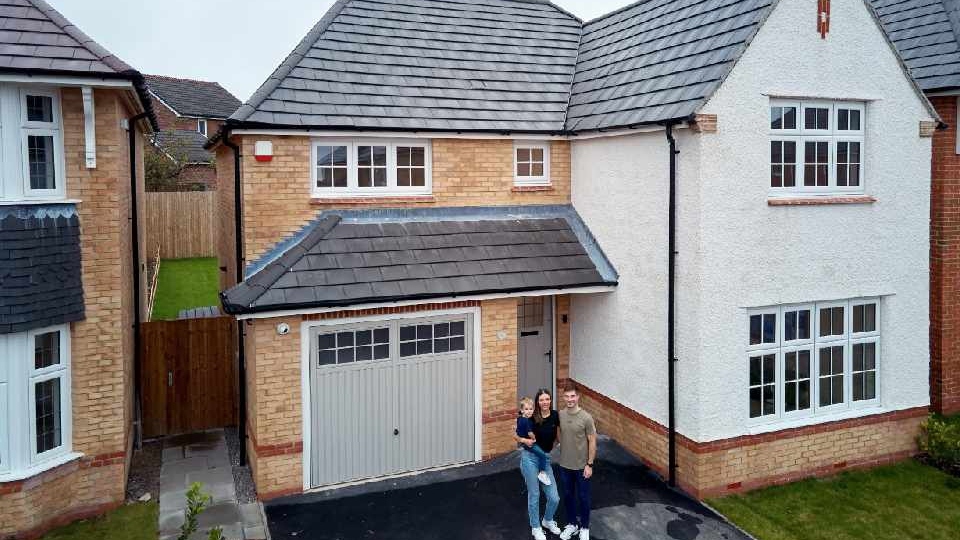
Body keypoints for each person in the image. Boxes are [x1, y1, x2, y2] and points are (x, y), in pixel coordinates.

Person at [515, 388, 563, 540]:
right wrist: (525, 440)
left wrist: (557, 446)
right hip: (529, 458)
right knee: (534, 494)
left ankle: (547, 520)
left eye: (547, 399)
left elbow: (559, 435)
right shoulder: (530, 417)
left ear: (550, 400)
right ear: (537, 402)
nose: (545, 402)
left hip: (544, 459)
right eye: (541, 400)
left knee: (554, 498)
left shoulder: (555, 415)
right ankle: (535, 527)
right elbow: (515, 434)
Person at [557, 382, 597, 540]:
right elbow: (558, 432)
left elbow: (592, 441)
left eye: (572, 396)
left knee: (583, 497)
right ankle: (572, 524)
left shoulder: (586, 417)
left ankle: (585, 527)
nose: (570, 399)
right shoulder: (560, 415)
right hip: (564, 465)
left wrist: (590, 464)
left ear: (578, 397)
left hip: (582, 467)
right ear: (563, 397)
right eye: (566, 396)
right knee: (567, 496)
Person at [516, 397, 552, 486]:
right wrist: (533, 438)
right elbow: (530, 432)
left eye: (531, 409)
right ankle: (542, 473)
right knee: (543, 455)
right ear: (522, 410)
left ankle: (527, 474)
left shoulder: (520, 419)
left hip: (524, 444)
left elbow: (518, 430)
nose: (529, 411)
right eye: (526, 409)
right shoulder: (527, 421)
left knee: (539, 454)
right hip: (529, 444)